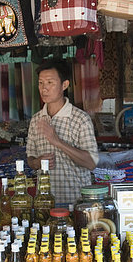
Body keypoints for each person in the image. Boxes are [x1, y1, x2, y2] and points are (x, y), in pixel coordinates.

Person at [26, 59, 99, 206]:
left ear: (64, 85)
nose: (44, 89)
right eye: (40, 83)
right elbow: (30, 160)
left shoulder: (80, 119)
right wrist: (37, 162)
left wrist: (57, 141)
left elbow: (91, 163)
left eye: (50, 83)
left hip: (76, 202)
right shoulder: (36, 120)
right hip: (46, 203)